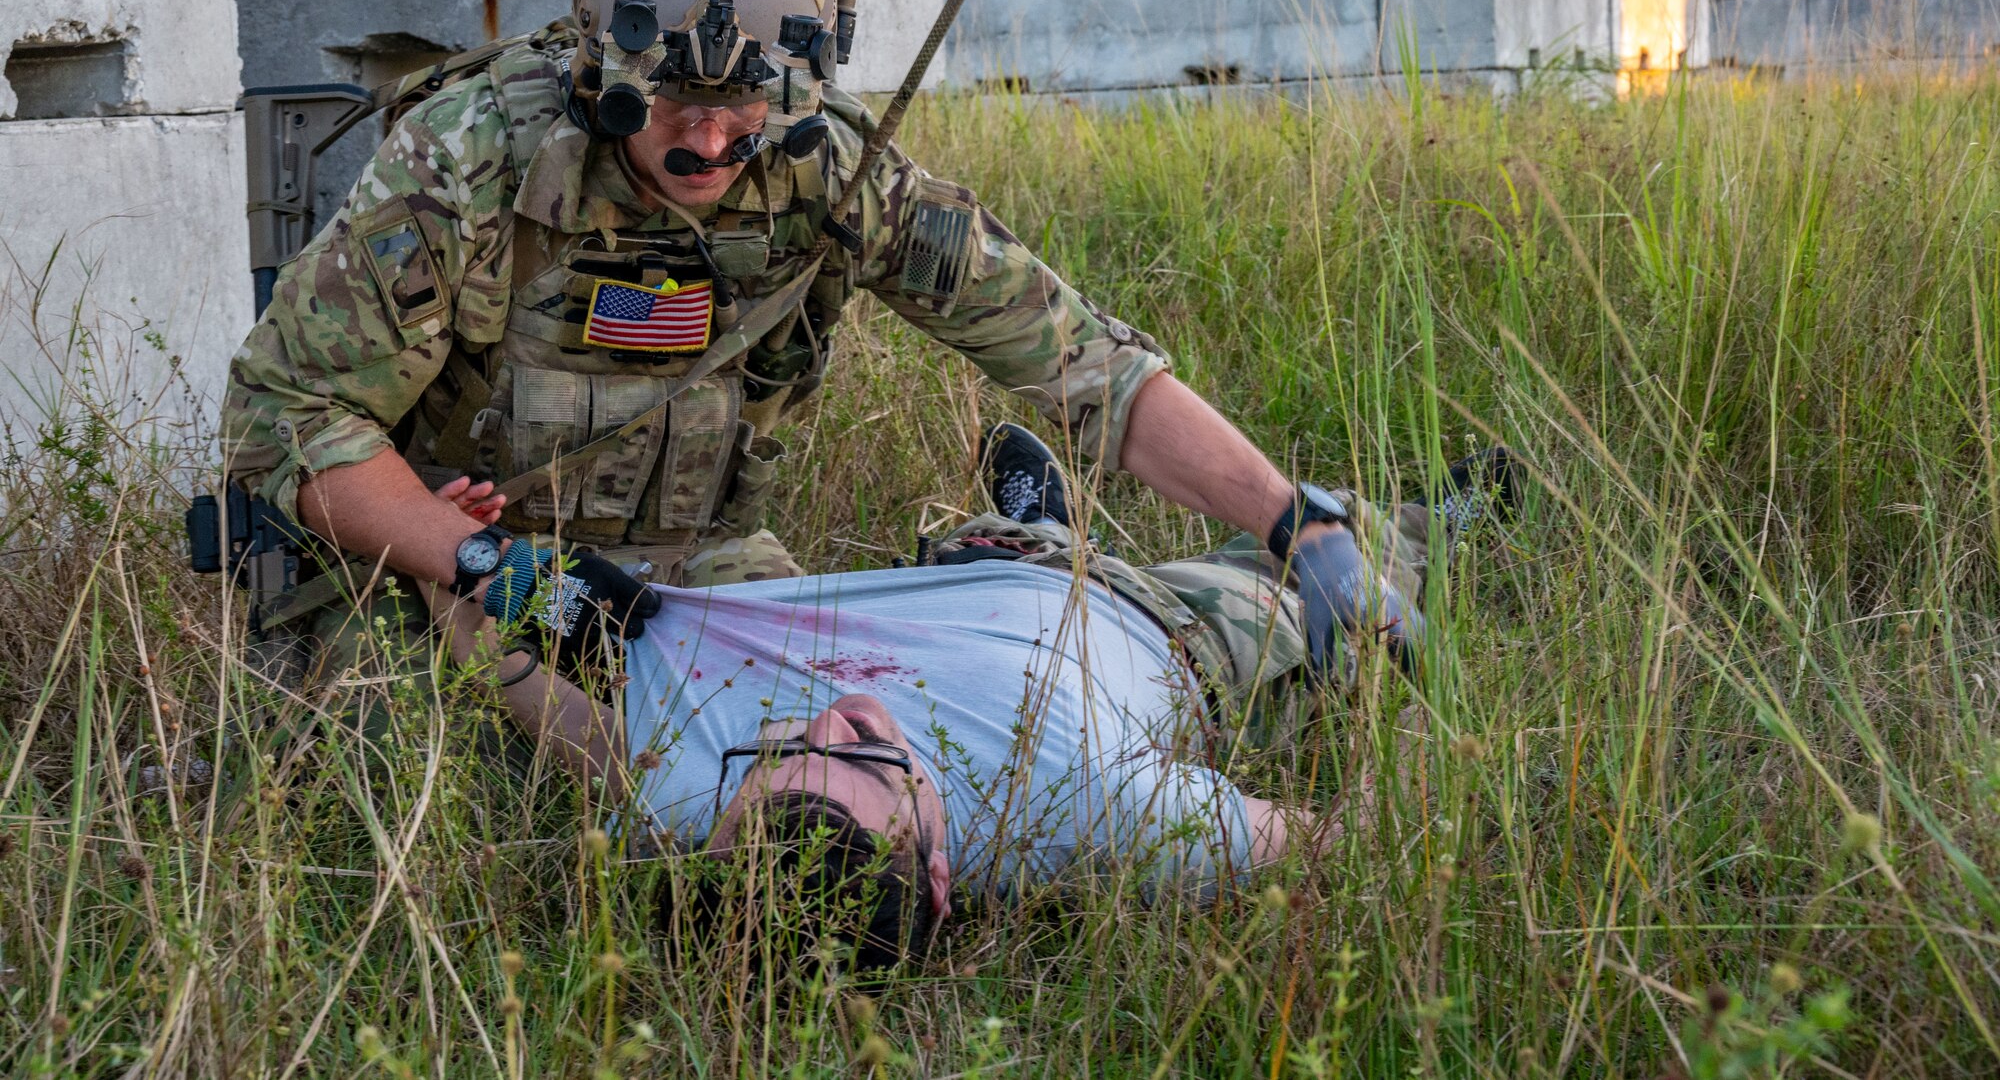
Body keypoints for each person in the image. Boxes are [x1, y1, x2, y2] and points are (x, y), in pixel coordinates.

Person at [222, 0, 1432, 708]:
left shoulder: (833, 174)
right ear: (598, 61)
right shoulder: (471, 162)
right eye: (667, 108)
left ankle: (1158, 560)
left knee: (922, 716)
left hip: (700, 571)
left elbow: (1082, 364)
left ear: (797, 80)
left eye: (741, 108)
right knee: (415, 764)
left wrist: (1287, 517)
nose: (704, 143)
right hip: (446, 575)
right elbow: (282, 420)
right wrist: (471, 552)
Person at [423, 424, 1517, 971]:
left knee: (735, 573)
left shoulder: (696, 812)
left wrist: (447, 583)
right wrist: (1403, 696)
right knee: (1302, 578)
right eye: (859, 756)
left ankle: (1027, 524)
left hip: (956, 580)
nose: (826, 715)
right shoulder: (1107, 821)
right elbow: (1347, 839)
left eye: (770, 752)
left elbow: (527, 694)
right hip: (1159, 628)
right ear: (941, 876)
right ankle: (1434, 528)